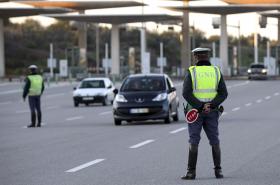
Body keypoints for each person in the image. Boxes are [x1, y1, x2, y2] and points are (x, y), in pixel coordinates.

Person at [181, 48, 228, 180]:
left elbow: (186, 93)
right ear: (208, 57)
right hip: (212, 112)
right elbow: (223, 93)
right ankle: (218, 171)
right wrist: (211, 105)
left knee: (194, 140)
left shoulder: (192, 71)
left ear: (195, 57)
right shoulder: (216, 71)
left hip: (195, 112)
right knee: (214, 140)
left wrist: (201, 106)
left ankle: (191, 172)